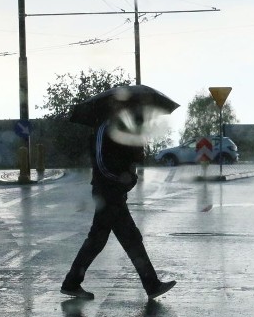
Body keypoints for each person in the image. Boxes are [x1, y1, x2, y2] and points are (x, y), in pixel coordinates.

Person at [61, 117, 176, 301]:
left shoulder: (118, 127)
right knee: (130, 238)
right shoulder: (103, 128)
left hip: (114, 194)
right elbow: (100, 163)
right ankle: (152, 285)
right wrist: (119, 179)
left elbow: (126, 157)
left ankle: (71, 282)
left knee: (98, 241)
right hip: (107, 194)